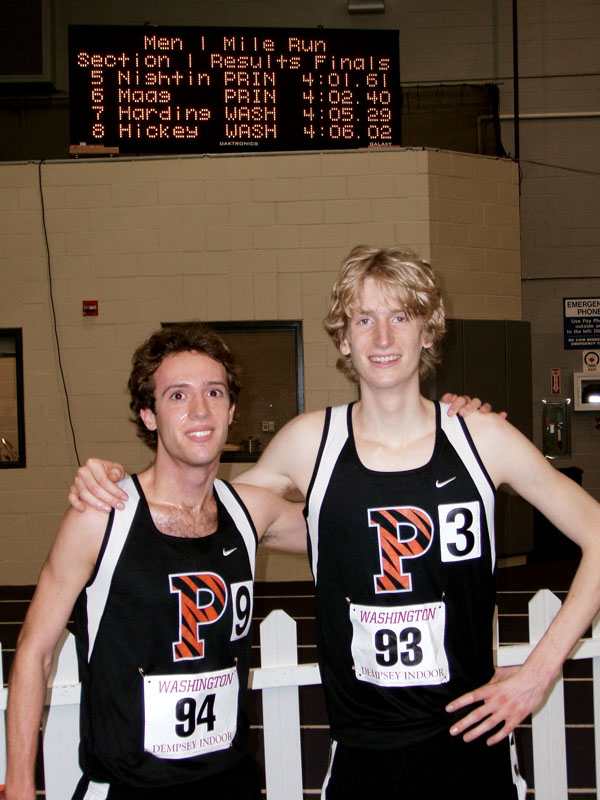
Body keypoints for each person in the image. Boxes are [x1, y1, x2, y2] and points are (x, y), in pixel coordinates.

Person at [68, 245, 600, 799]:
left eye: (401, 317)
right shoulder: (309, 444)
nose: (384, 338)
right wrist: (113, 482)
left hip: (470, 744)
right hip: (360, 756)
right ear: (343, 339)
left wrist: (539, 673)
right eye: (364, 320)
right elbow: (198, 503)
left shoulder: (481, 439)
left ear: (428, 331)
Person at [4, 323, 308, 800]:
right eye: (177, 396)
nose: (200, 410)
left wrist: (451, 427)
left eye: (213, 392)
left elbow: (344, 522)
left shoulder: (249, 510)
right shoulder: (102, 516)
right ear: (149, 415)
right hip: (131, 786)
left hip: (229, 779)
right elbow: (34, 652)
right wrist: (19, 782)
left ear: (231, 410)